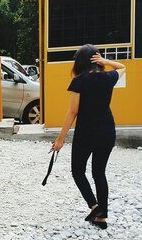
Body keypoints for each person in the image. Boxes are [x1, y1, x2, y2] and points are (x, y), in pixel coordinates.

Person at [52, 44, 126, 230]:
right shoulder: (108, 77)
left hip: (86, 133)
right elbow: (122, 67)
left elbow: (72, 112)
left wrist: (60, 139)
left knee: (78, 172)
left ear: (80, 61)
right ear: (96, 60)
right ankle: (101, 216)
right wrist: (106, 62)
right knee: (99, 173)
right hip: (107, 132)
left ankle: (95, 207)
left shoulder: (79, 81)